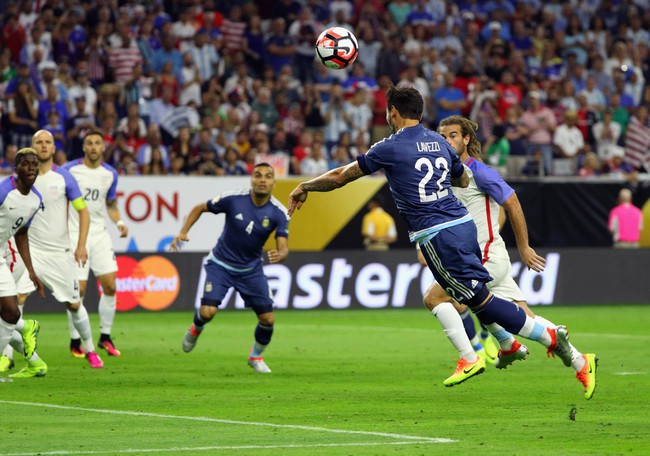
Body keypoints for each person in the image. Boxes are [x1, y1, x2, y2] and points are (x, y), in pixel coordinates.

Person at [288, 86, 596, 400]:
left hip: (438, 235)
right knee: (476, 301)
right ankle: (511, 345)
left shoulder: (388, 147)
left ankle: (526, 349)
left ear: (393, 112)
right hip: (463, 227)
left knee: (473, 302)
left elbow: (341, 176)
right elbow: (462, 178)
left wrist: (306, 185)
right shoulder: (438, 141)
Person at [436, 115, 597, 398]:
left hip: (485, 256)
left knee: (436, 297)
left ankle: (475, 356)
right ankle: (581, 361)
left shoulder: (480, 172)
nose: (446, 141)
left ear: (466, 139)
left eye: (452, 135)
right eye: (442, 136)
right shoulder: (446, 174)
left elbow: (511, 203)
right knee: (525, 316)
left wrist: (524, 246)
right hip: (483, 254)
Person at [171, 163, 290, 374]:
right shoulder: (234, 199)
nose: (262, 179)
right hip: (221, 264)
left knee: (268, 319)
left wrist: (281, 254)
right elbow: (200, 207)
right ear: (251, 179)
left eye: (268, 176)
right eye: (258, 175)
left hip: (251, 270)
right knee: (208, 313)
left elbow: (283, 247)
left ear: (274, 182)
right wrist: (183, 231)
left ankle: (255, 356)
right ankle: (195, 328)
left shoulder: (279, 212)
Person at [16, 130, 104, 369]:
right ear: (32, 148)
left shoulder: (64, 178)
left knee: (74, 305)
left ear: (54, 149)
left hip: (59, 254)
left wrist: (81, 244)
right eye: (39, 142)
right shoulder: (22, 179)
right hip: (31, 252)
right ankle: (8, 355)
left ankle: (90, 349)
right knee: (15, 301)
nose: (43, 146)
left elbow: (83, 211)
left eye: (48, 142)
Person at [62, 131, 128, 357]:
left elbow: (110, 204)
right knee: (78, 290)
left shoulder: (110, 174)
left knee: (110, 286)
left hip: (99, 234)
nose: (93, 147)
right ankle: (74, 341)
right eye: (89, 143)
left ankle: (105, 337)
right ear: (84, 147)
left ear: (103, 148)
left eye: (97, 143)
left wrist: (119, 221)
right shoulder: (69, 170)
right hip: (75, 233)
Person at [0, 148, 46, 379]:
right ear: (16, 168)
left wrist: (31, 271)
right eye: (26, 164)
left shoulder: (36, 200)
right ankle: (27, 334)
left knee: (9, 313)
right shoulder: (4, 190)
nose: (31, 168)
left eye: (35, 164)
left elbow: (21, 233)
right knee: (7, 313)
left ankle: (28, 333)